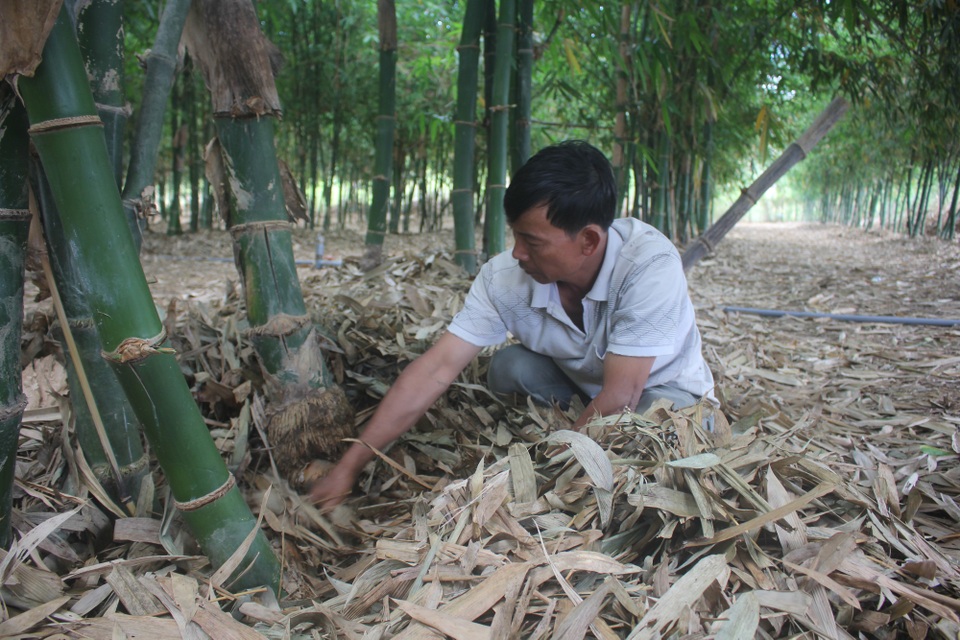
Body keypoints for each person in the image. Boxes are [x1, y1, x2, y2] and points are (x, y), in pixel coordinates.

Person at [310, 140, 715, 509]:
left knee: (663, 429)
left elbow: (623, 394)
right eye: (515, 236)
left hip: (658, 393)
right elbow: (436, 368)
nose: (517, 253)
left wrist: (540, 476)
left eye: (533, 242)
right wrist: (350, 465)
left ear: (589, 241)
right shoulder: (504, 278)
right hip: (583, 387)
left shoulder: (648, 264)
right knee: (508, 368)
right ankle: (577, 424)